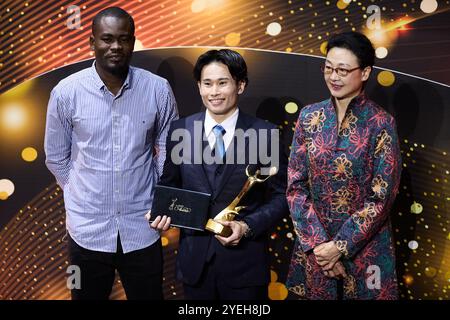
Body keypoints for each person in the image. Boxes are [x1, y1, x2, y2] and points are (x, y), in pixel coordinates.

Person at [44, 7, 178, 300]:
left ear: (132, 42)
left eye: (123, 39)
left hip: (142, 228)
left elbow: (168, 151)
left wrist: (156, 193)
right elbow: (56, 157)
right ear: (92, 43)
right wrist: (80, 191)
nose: (115, 46)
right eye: (106, 39)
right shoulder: (66, 92)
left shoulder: (158, 90)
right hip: (86, 232)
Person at [149, 49, 288, 299]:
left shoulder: (266, 134)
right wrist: (161, 210)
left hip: (245, 266)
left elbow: (282, 197)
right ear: (199, 86)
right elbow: (169, 185)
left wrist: (246, 226)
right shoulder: (180, 130)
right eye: (207, 83)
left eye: (222, 83)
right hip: (195, 266)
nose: (214, 92)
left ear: (240, 85)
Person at [285, 31, 401, 300]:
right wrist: (319, 247)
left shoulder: (381, 123)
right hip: (316, 249)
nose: (333, 76)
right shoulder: (309, 116)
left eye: (343, 70)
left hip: (366, 251)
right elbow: (295, 187)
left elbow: (382, 198)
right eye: (328, 68)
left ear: (365, 72)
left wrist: (339, 246)